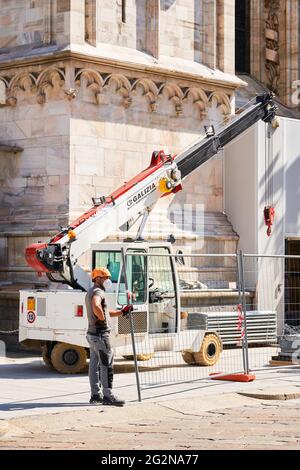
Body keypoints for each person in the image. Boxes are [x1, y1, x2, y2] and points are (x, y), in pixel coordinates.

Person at [85, 267, 132, 407]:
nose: (108, 280)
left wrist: (121, 312)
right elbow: (96, 305)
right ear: (98, 279)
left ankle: (95, 395)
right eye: (106, 278)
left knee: (94, 365)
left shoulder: (91, 291)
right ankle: (108, 396)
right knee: (106, 365)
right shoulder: (98, 292)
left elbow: (103, 311)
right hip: (101, 335)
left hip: (92, 334)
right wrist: (102, 319)